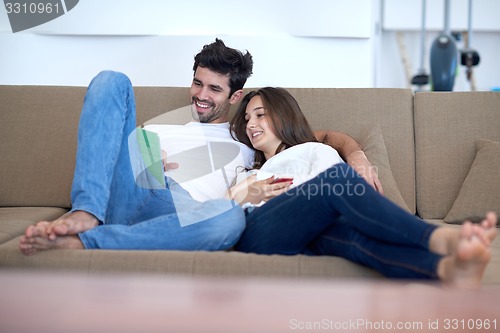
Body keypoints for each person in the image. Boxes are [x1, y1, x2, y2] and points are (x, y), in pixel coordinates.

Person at [19, 39, 379, 254]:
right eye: (197, 83)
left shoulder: (248, 133)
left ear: (236, 96)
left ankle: (89, 241)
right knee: (112, 81)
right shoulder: (159, 126)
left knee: (227, 220)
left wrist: (358, 157)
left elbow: (325, 137)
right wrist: (142, 152)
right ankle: (86, 213)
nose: (201, 96)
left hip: (183, 215)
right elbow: (111, 150)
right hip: (133, 188)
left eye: (214, 89)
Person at [228, 87, 497, 288]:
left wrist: (303, 198)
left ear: (284, 116)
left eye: (260, 115)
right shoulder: (247, 171)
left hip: (307, 231)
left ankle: (445, 269)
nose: (251, 124)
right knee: (338, 178)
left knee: (352, 239)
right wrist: (250, 190)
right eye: (248, 119)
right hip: (257, 231)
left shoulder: (313, 150)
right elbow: (226, 211)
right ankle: (435, 238)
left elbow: (329, 202)